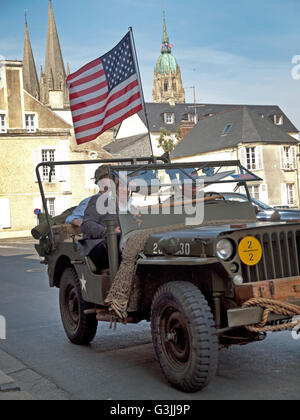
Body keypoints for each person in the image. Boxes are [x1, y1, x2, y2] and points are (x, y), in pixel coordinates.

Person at [79, 165, 120, 273]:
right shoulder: (97, 200)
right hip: (99, 244)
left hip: (115, 240)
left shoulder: (118, 200)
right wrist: (107, 231)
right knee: (120, 239)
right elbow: (86, 224)